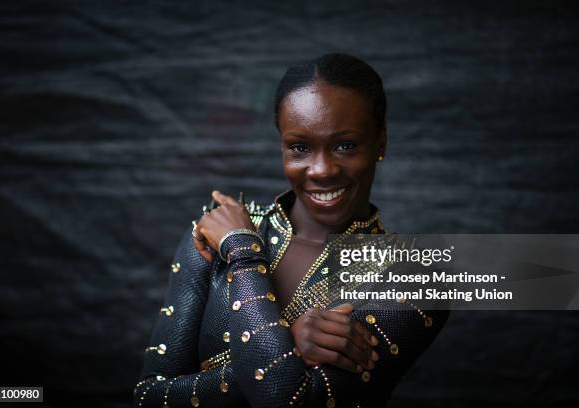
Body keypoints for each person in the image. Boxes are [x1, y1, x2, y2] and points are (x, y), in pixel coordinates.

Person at [134, 53, 448, 407]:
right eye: (300, 147)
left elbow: (289, 400)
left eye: (345, 146)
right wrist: (288, 349)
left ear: (381, 142)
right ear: (281, 145)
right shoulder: (217, 231)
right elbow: (149, 397)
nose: (321, 170)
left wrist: (243, 255)